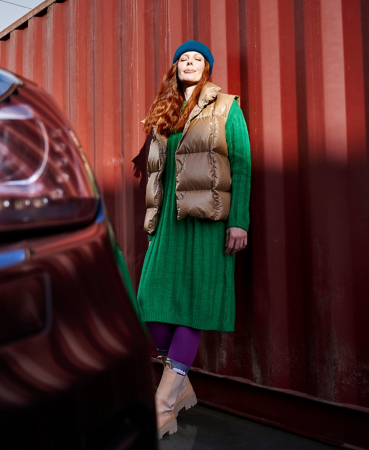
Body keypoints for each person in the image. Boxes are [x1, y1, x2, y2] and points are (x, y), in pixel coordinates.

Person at [137, 40, 251, 439]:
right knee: (151, 303)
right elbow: (155, 175)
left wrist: (240, 221)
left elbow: (241, 163)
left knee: (194, 307)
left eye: (196, 59)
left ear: (207, 68)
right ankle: (180, 381)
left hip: (208, 218)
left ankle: (163, 406)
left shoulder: (226, 107)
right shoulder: (164, 113)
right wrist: (152, 221)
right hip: (168, 220)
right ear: (175, 67)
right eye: (183, 58)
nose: (189, 63)